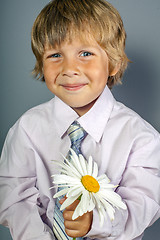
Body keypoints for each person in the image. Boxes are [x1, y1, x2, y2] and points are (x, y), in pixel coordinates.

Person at [0, 0, 160, 239]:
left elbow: (144, 204)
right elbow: (14, 200)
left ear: (113, 63)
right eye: (55, 55)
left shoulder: (141, 137)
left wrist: (95, 221)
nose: (69, 68)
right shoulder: (26, 129)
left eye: (85, 53)